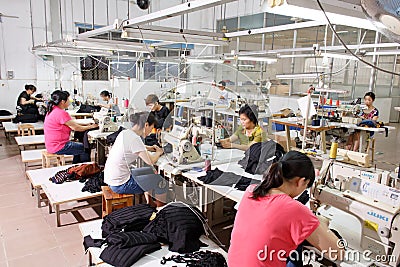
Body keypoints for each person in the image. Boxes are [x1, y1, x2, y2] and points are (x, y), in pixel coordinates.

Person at [228, 151, 343, 267]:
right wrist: (320, 222)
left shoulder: (251, 191)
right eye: (305, 186)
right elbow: (337, 253)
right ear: (301, 181)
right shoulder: (294, 209)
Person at [104, 112, 167, 207]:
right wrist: (159, 152)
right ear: (146, 125)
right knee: (161, 181)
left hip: (111, 178)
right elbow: (150, 161)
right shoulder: (135, 139)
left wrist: (149, 148)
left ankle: (150, 203)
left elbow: (135, 147)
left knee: (150, 171)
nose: (151, 131)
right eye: (151, 128)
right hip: (120, 184)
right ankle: (161, 211)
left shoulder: (125, 133)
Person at [44, 90, 98, 163]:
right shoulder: (61, 113)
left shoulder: (52, 110)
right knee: (85, 148)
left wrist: (86, 125)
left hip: (51, 145)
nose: (70, 101)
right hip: (59, 146)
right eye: (68, 99)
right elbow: (76, 128)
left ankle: (76, 166)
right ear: (63, 101)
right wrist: (91, 127)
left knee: (78, 147)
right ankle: (85, 169)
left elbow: (71, 124)